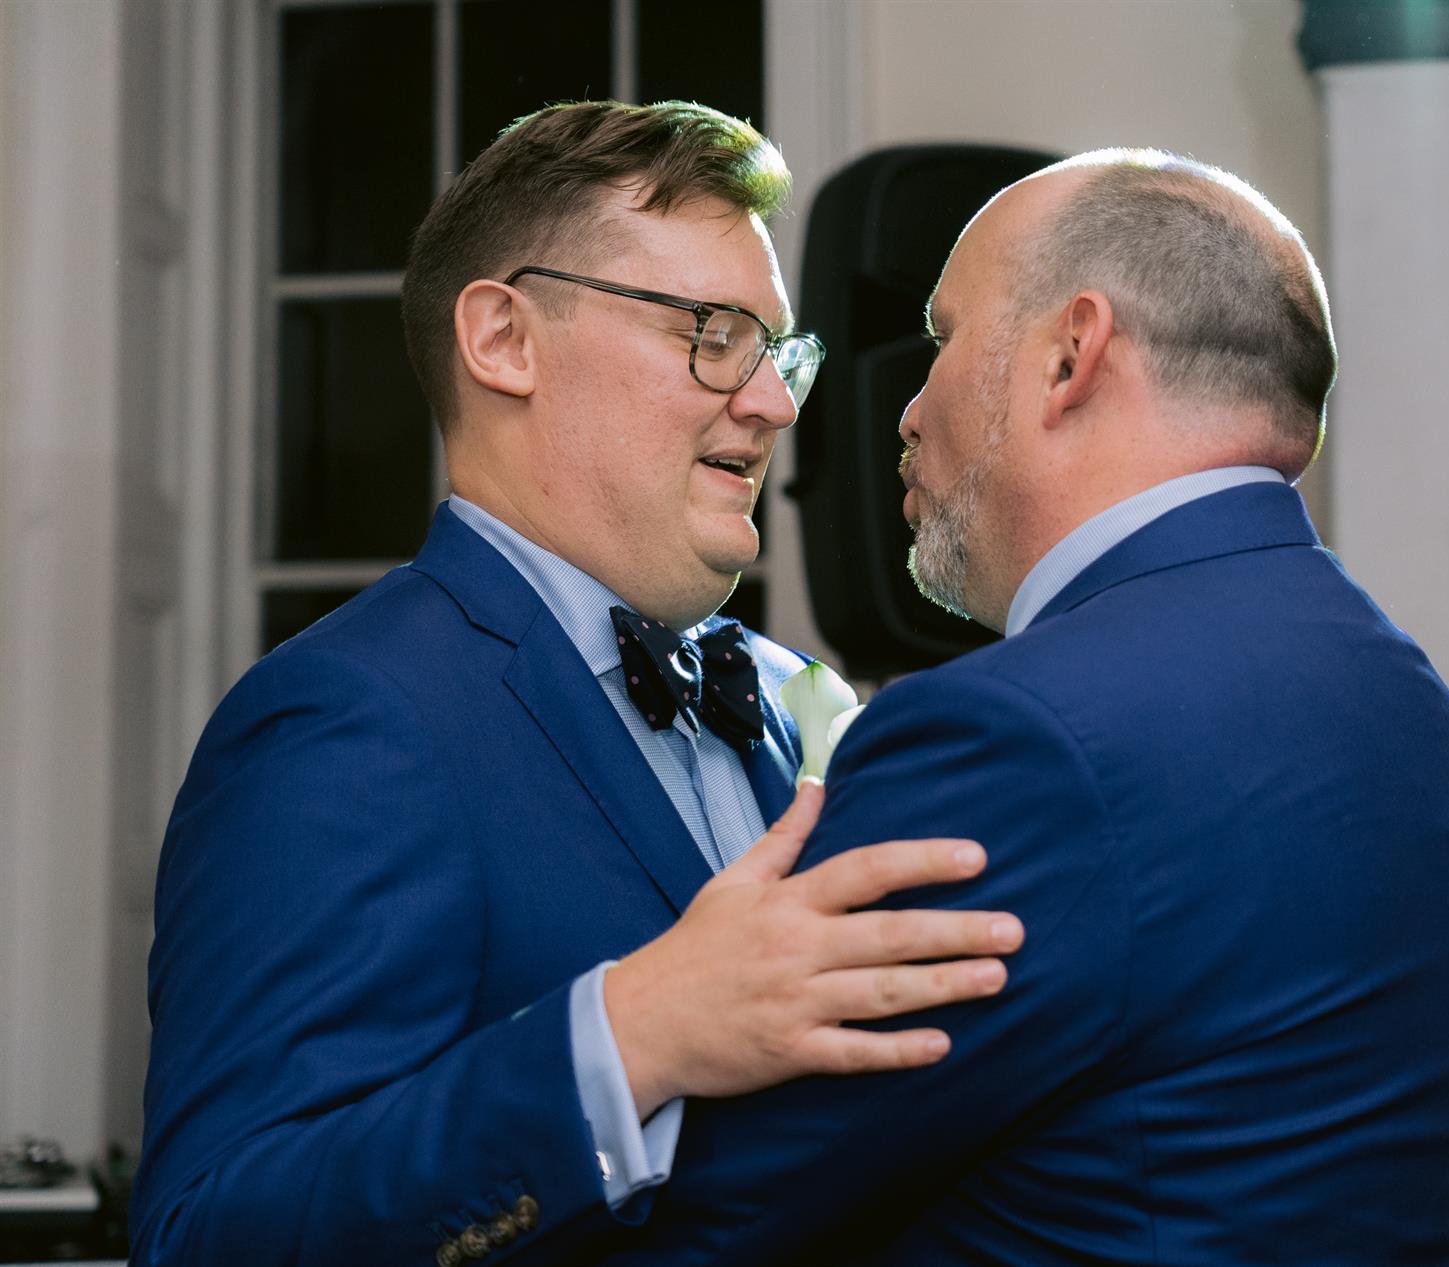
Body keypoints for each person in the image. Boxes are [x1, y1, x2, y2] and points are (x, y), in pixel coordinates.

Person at [130, 101, 1024, 1266]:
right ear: (505, 340)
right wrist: (631, 1034)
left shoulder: (795, 698)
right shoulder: (345, 723)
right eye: (712, 333)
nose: (772, 402)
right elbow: (211, 1234)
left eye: (778, 351)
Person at [610, 151, 1449, 1263]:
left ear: (1070, 354)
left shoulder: (1013, 739)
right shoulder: (1409, 705)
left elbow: (726, 1217)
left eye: (942, 340)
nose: (906, 412)